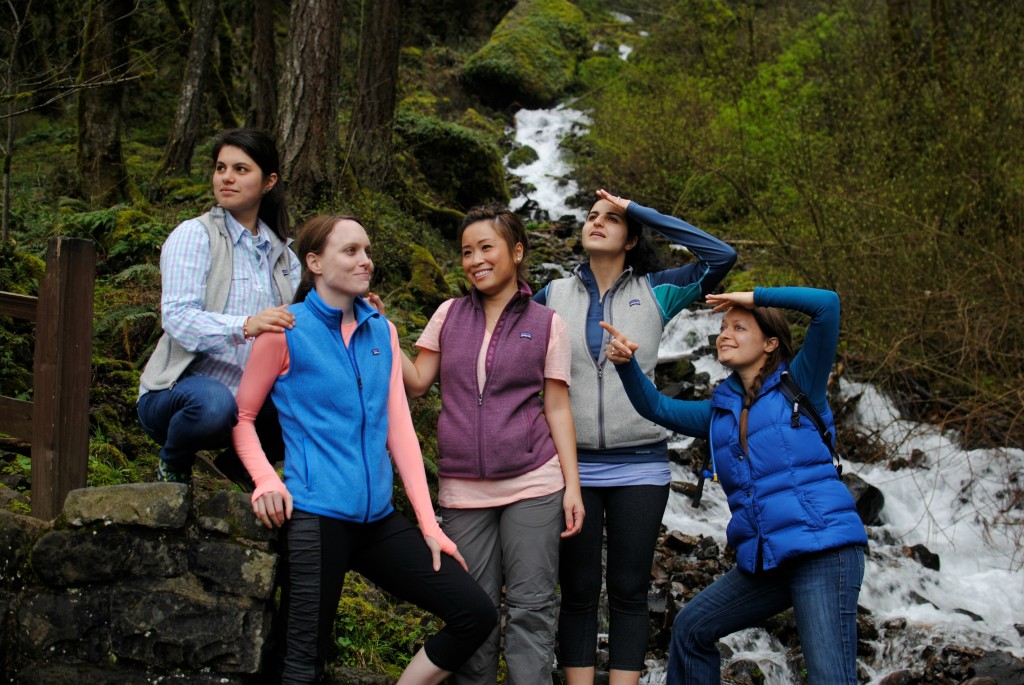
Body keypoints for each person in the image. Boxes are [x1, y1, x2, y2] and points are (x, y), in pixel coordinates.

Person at [231, 214, 495, 684]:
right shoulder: (283, 331)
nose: (365, 260)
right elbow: (243, 418)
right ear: (314, 262)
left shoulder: (383, 332)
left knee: (474, 613)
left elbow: (401, 432)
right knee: (301, 665)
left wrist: (429, 524)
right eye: (350, 251)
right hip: (315, 517)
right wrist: (266, 479)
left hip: (378, 521)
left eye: (367, 250)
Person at [603, 287, 868, 684]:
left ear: (770, 343)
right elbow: (655, 407)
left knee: (830, 678)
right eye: (723, 327)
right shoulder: (720, 411)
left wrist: (755, 296)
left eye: (739, 327)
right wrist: (626, 366)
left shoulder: (800, 383)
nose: (724, 333)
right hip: (769, 558)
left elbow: (828, 305)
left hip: (822, 549)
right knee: (692, 629)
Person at [533, 189, 737, 685]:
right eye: (592, 216)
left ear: (631, 238)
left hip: (641, 464)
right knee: (578, 589)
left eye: (612, 219)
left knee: (629, 588)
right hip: (572, 467)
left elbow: (721, 256)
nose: (597, 222)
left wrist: (639, 209)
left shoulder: (658, 290)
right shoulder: (551, 295)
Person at [400, 206, 585, 685]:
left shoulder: (548, 323)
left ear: (517, 252)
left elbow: (557, 407)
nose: (475, 260)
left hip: (534, 482)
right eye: (467, 251)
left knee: (532, 608)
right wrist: (380, 328)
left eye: (487, 247)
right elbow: (418, 381)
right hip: (463, 490)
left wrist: (573, 487)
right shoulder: (448, 314)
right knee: (475, 613)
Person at [137, 128, 299, 485]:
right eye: (221, 167)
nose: (227, 177)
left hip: (248, 404)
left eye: (241, 169)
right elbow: (177, 318)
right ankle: (173, 466)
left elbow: (302, 324)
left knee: (312, 407)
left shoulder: (285, 257)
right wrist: (244, 325)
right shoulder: (194, 235)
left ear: (269, 181)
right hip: (177, 395)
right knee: (213, 402)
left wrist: (357, 309)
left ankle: (235, 469)